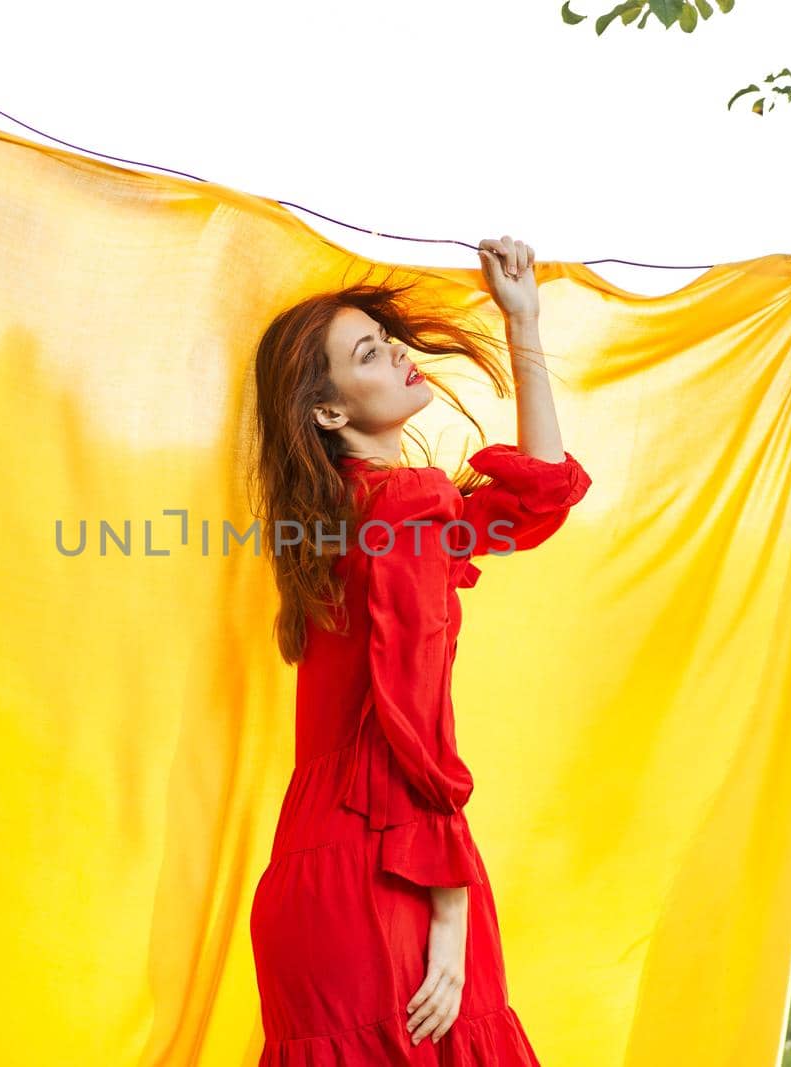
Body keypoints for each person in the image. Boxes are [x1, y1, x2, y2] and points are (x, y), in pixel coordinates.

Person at [247, 235, 592, 1064]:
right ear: (329, 412)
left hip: (308, 872)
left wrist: (524, 321)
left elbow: (534, 502)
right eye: (368, 351)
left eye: (386, 337)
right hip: (387, 872)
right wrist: (449, 900)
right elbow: (412, 712)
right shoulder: (402, 506)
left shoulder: (344, 521)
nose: (397, 352)